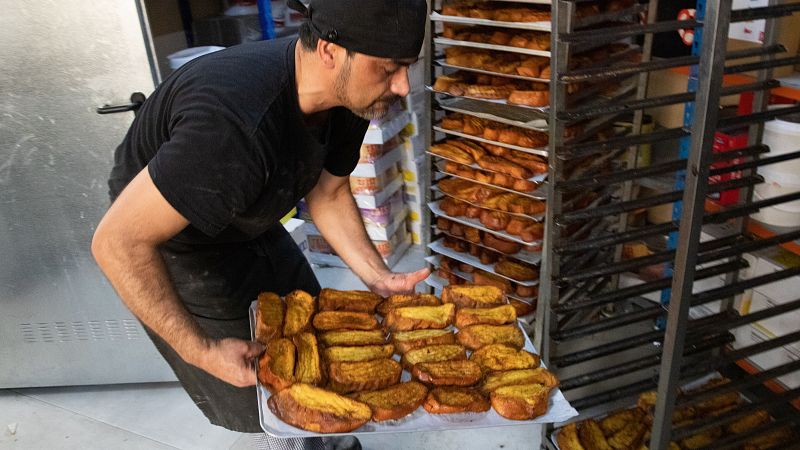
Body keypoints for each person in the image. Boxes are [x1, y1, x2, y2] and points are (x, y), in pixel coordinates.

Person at [91, 0, 428, 447]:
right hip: (171, 234)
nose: (403, 85)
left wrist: (377, 276)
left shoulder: (345, 93)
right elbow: (116, 243)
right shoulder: (234, 127)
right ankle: (291, 439)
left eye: (408, 66)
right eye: (389, 68)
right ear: (329, 51)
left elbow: (327, 192)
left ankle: (330, 432)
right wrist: (203, 351)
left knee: (311, 336)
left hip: (245, 206)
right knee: (263, 383)